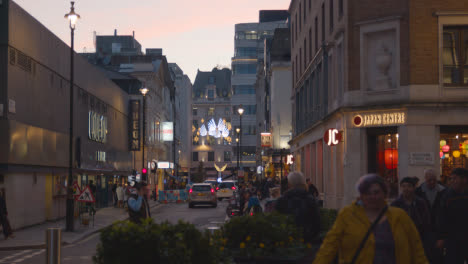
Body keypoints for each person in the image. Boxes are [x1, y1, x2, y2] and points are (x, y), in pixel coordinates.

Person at [313, 174, 428, 264]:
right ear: (361, 195)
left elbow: (416, 248)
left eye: (376, 192)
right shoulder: (348, 215)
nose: (373, 197)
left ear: (384, 194)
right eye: (367, 193)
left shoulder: (399, 216)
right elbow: (329, 246)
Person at [275, 171, 320, 243]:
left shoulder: (282, 200)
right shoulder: (310, 200)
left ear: (289, 184)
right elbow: (316, 223)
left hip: (287, 241)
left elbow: (277, 223)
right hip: (307, 240)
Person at [391, 177, 431, 257]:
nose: (406, 189)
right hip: (401, 239)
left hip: (419, 237)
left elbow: (426, 220)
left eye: (409, 186)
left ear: (413, 187)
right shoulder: (396, 204)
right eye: (404, 186)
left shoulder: (420, 203)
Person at [436, 168, 468, 264]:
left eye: (455, 178)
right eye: (451, 179)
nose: (452, 181)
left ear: (464, 179)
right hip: (452, 238)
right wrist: (441, 237)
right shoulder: (446, 195)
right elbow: (441, 217)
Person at [416, 168, 446, 263]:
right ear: (425, 179)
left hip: (438, 229)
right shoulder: (418, 192)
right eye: (429, 180)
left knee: (438, 256)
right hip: (423, 229)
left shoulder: (444, 192)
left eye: (434, 179)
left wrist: (442, 236)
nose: (432, 182)